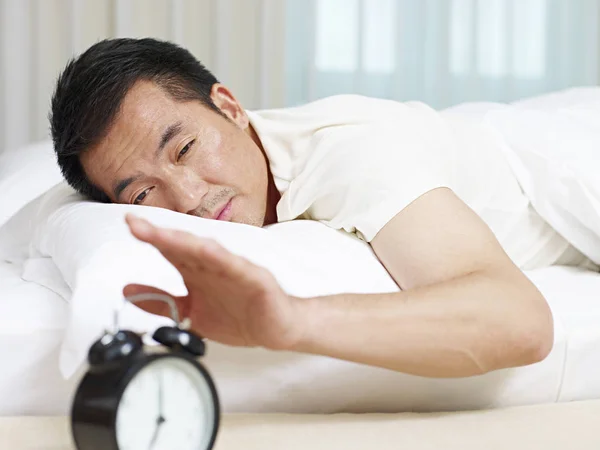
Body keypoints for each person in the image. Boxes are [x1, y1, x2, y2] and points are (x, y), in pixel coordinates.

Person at [51, 37, 583, 379]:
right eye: (143, 194)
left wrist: (292, 321)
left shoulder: (350, 156)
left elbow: (520, 322)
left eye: (185, 149)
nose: (188, 198)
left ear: (230, 108)